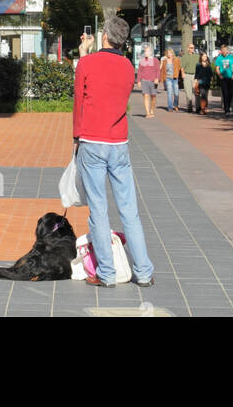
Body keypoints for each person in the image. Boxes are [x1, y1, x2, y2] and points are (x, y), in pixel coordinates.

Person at [73, 17, 155, 289]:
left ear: (105, 36)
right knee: (129, 209)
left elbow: (80, 102)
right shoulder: (128, 66)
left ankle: (107, 274)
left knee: (98, 209)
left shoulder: (87, 63)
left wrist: (76, 137)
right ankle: (143, 271)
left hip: (92, 140)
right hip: (119, 142)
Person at [213, 43, 233, 116]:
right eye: (222, 50)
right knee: (225, 94)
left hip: (230, 78)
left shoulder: (231, 57)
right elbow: (217, 69)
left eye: (225, 50)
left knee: (231, 93)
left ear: (227, 50)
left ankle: (228, 106)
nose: (223, 51)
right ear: (221, 50)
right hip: (223, 79)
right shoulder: (219, 58)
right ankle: (227, 110)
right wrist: (220, 76)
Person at [137, 46, 160, 119]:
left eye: (147, 51)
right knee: (146, 96)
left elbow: (158, 70)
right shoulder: (142, 61)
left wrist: (157, 78)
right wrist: (138, 81)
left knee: (153, 96)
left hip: (153, 81)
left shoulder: (155, 60)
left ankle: (152, 110)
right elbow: (139, 71)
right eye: (145, 51)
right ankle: (147, 113)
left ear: (151, 52)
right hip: (144, 80)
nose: (145, 53)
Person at [181, 43, 197, 111]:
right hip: (187, 75)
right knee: (188, 93)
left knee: (197, 92)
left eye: (193, 48)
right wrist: (183, 74)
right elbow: (182, 67)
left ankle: (198, 107)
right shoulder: (184, 57)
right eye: (191, 48)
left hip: (195, 76)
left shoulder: (197, 56)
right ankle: (189, 107)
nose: (192, 49)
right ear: (188, 49)